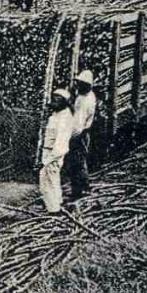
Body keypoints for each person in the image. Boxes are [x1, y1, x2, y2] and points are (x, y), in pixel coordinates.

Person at [38, 88, 74, 213]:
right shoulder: (57, 114)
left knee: (48, 181)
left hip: (54, 154)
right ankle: (55, 205)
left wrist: (47, 160)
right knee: (50, 180)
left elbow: (61, 143)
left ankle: (53, 210)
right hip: (48, 151)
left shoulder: (65, 118)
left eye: (58, 99)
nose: (54, 101)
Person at [67, 69, 97, 201]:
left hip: (80, 134)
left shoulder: (85, 100)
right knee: (80, 161)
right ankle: (82, 187)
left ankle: (78, 191)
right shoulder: (84, 96)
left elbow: (78, 123)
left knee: (77, 162)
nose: (78, 85)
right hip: (82, 132)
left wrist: (70, 137)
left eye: (81, 83)